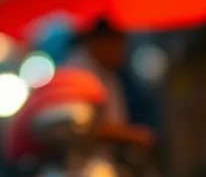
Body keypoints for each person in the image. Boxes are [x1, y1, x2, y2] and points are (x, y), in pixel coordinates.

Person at [61, 19, 155, 151]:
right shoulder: (76, 73)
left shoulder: (109, 71)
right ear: (100, 42)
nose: (123, 51)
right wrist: (131, 135)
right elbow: (84, 126)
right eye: (119, 44)